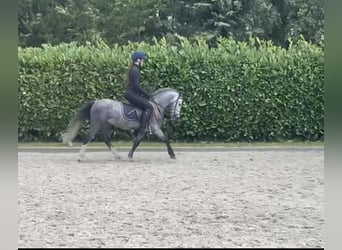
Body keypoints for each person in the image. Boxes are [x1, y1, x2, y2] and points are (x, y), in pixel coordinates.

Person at [123, 50, 153, 134]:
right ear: (138, 60)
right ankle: (142, 130)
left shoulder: (133, 69)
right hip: (131, 94)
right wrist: (147, 95)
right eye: (142, 60)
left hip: (131, 93)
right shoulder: (135, 70)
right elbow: (136, 86)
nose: (143, 61)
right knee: (149, 107)